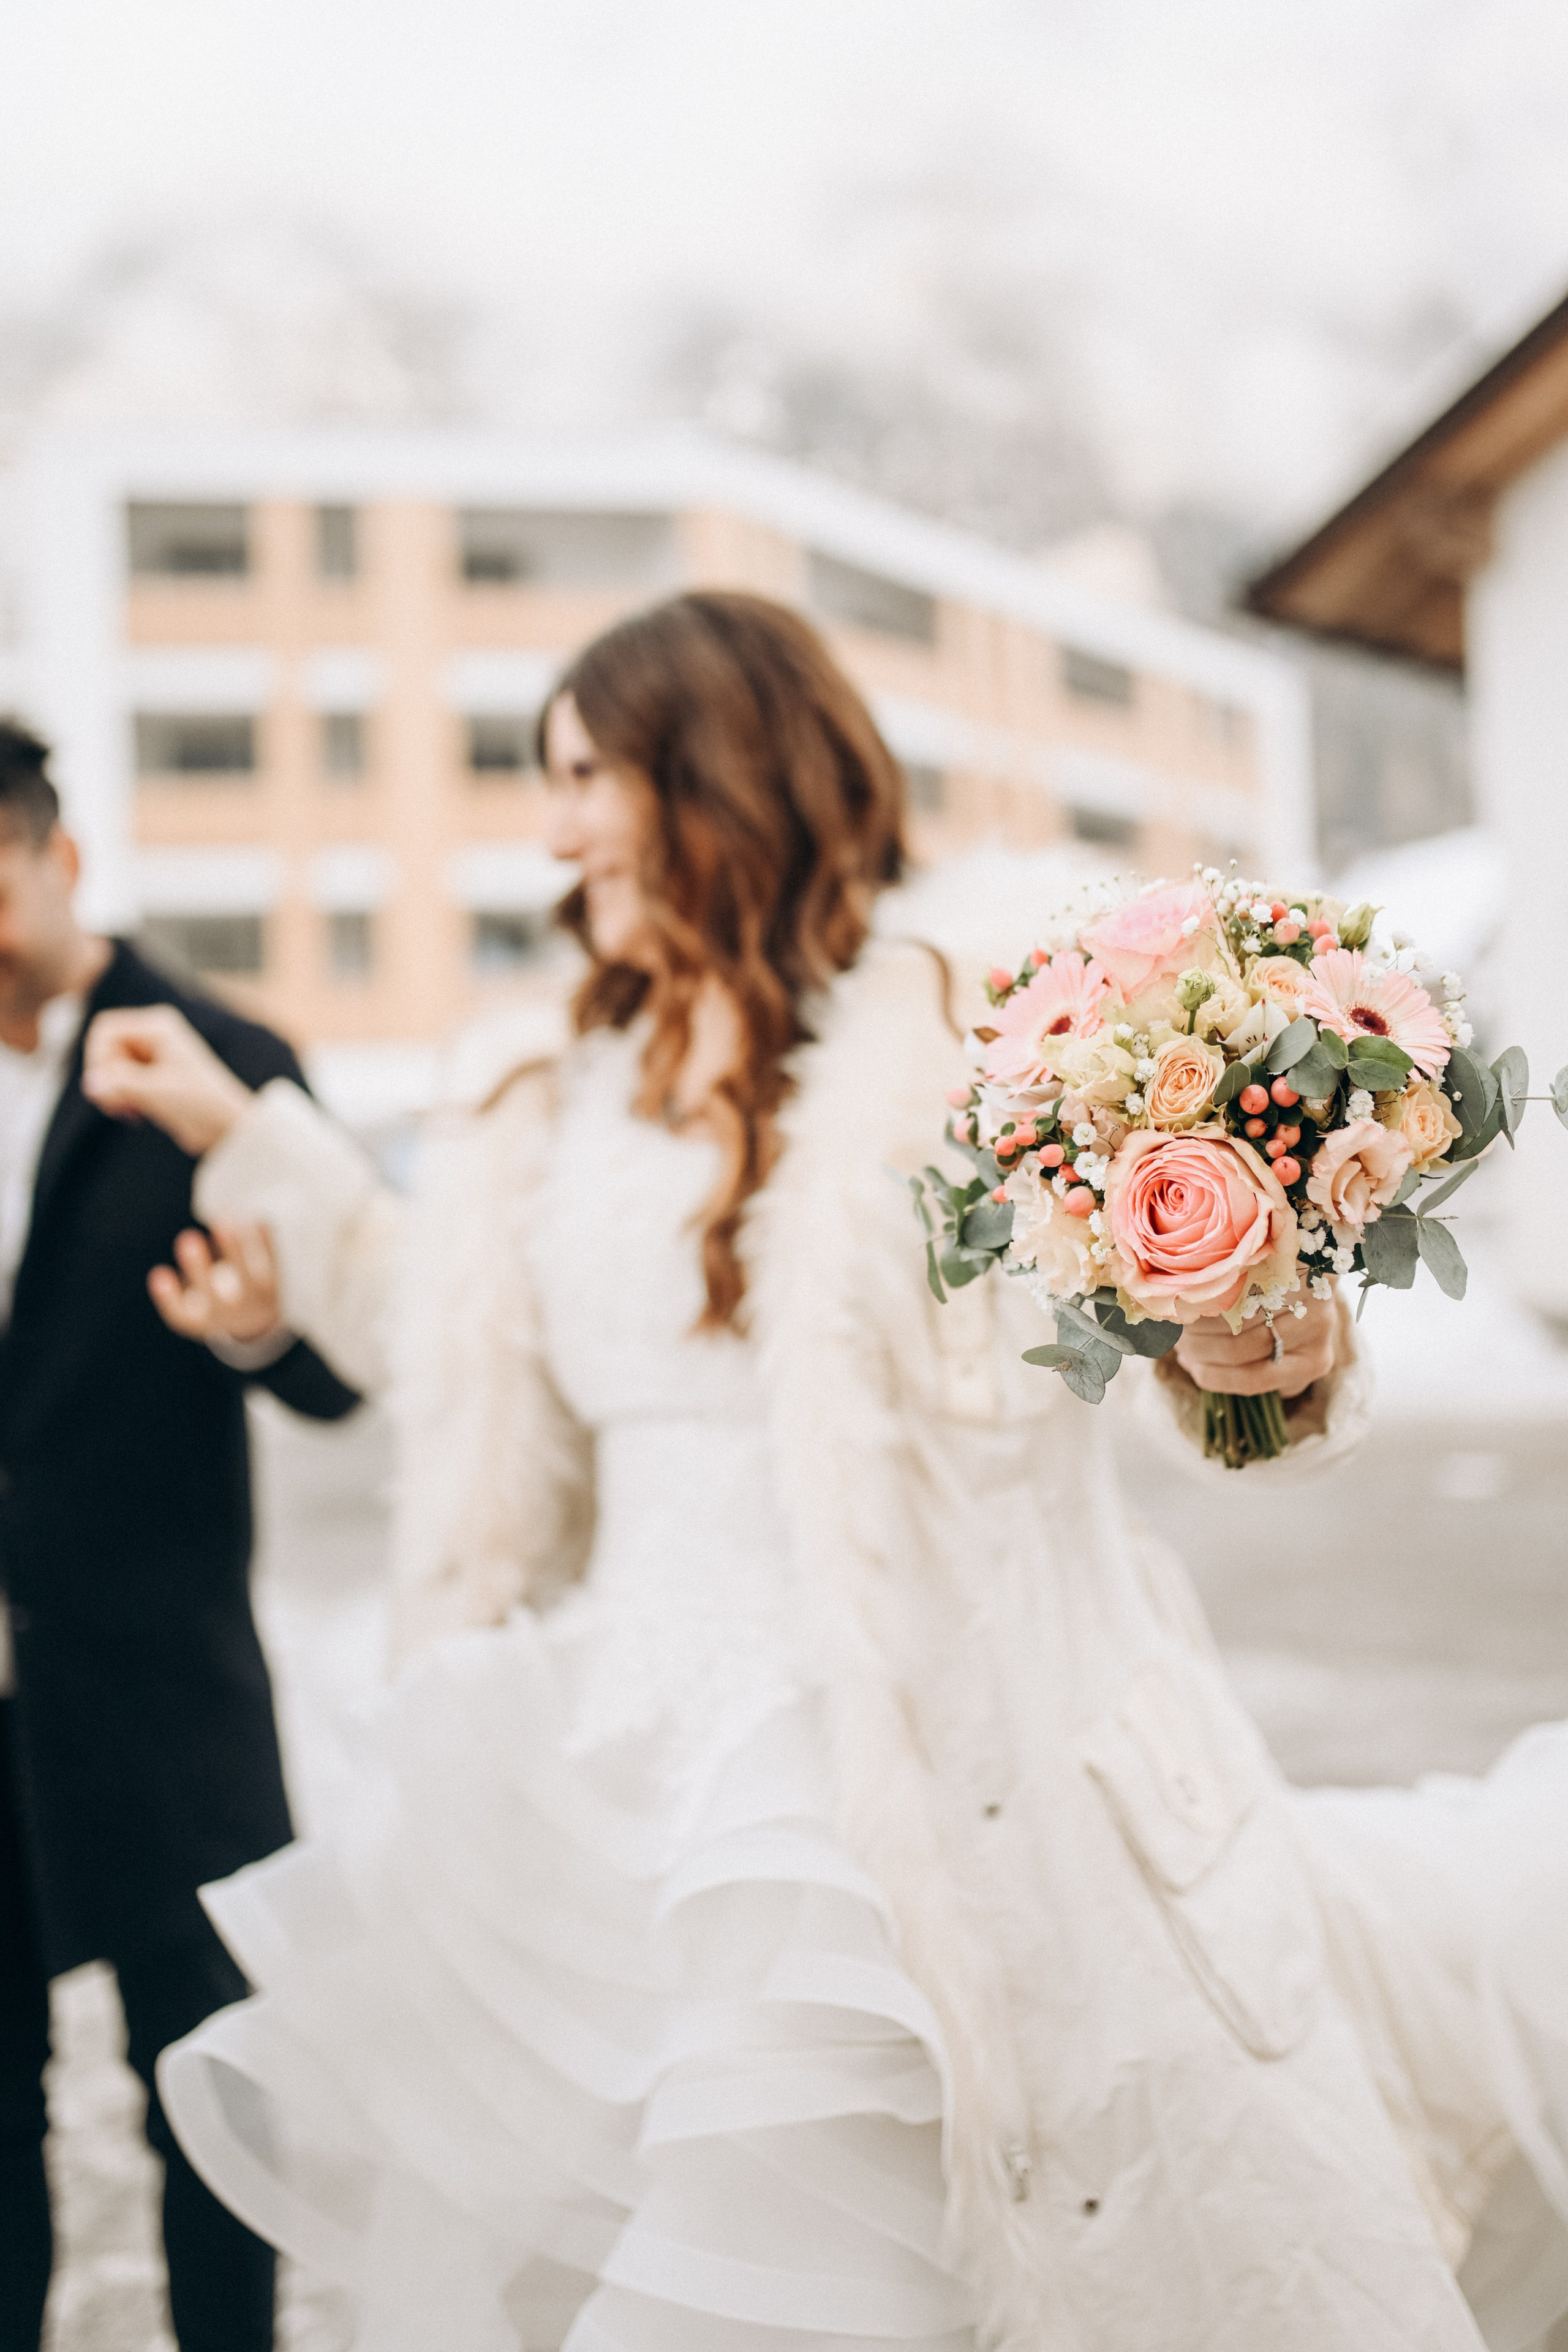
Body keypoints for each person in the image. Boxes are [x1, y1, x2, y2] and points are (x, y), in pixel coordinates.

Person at [82, 595, 1568, 2350]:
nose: (551, 828)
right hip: (624, 1785)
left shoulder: (974, 1030)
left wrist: (1262, 1348)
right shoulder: (548, 1083)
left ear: (717, 773)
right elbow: (460, 1347)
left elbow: (1151, 1315)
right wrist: (247, 1148)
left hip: (926, 1767)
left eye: (583, 777)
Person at [0, 720, 360, 2352]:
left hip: (160, 1696)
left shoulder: (222, 1054)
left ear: (60, 860)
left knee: (213, 2104)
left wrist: (255, 1331)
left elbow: (338, 1370)